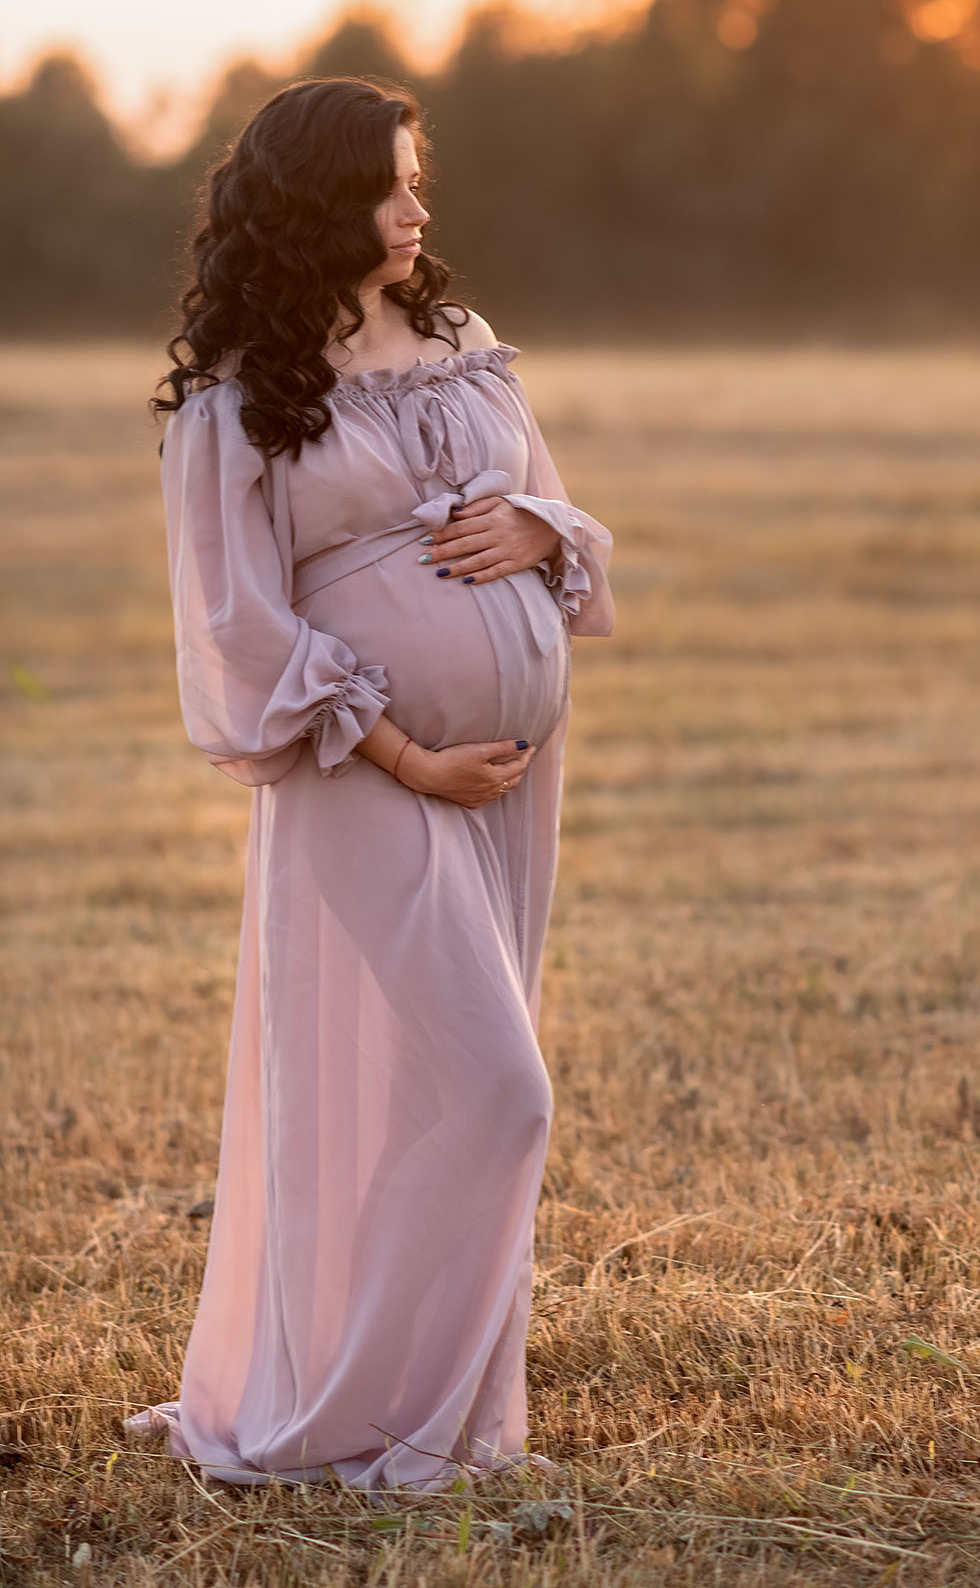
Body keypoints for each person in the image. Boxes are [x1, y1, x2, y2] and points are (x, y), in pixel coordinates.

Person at [123, 76, 614, 1496]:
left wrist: (536, 525)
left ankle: (446, 1420)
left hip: (512, 774)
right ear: (310, 207)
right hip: (364, 773)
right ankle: (353, 1418)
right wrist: (409, 753)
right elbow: (236, 633)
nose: (415, 210)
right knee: (495, 1093)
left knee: (436, 1094)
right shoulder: (235, 404)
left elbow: (561, 508)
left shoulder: (461, 343)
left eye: (416, 180)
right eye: (384, 189)